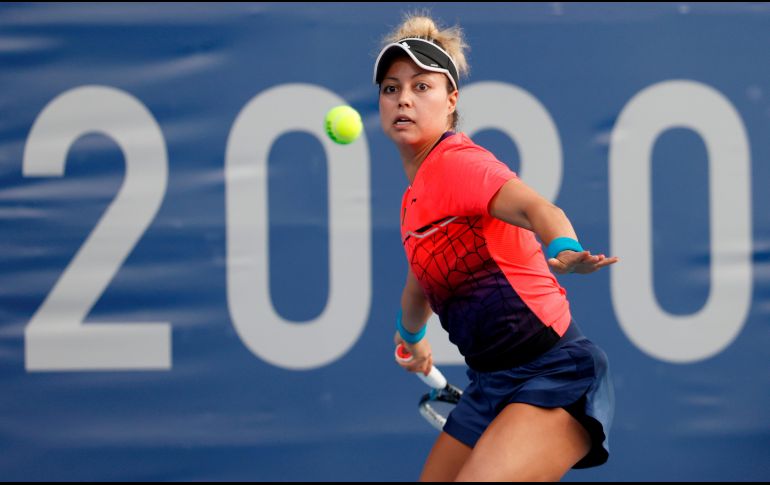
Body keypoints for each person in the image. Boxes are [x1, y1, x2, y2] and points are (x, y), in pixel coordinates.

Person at [375, 13, 619, 482]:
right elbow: (421, 284)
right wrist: (411, 339)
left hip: (553, 372)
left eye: (420, 87)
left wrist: (565, 247)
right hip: (490, 385)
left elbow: (535, 208)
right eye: (391, 88)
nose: (403, 98)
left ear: (451, 101)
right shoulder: (412, 202)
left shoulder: (459, 163)